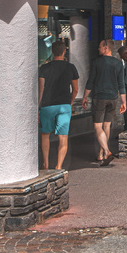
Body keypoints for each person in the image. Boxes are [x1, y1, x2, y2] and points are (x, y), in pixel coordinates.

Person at [82, 40, 126, 165]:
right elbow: (121, 84)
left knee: (97, 126)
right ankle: (101, 155)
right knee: (106, 126)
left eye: (100, 46)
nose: (98, 48)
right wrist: (123, 101)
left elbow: (91, 81)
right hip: (113, 98)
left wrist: (85, 96)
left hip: (99, 98)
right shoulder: (118, 64)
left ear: (106, 48)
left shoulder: (97, 62)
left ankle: (106, 151)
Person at [38, 39, 79, 171]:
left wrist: (38, 107)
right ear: (64, 51)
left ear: (52, 51)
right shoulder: (71, 67)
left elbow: (41, 90)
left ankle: (45, 164)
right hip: (64, 105)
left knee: (45, 135)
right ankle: (59, 166)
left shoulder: (44, 68)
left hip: (47, 105)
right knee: (63, 136)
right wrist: (70, 102)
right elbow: (76, 89)